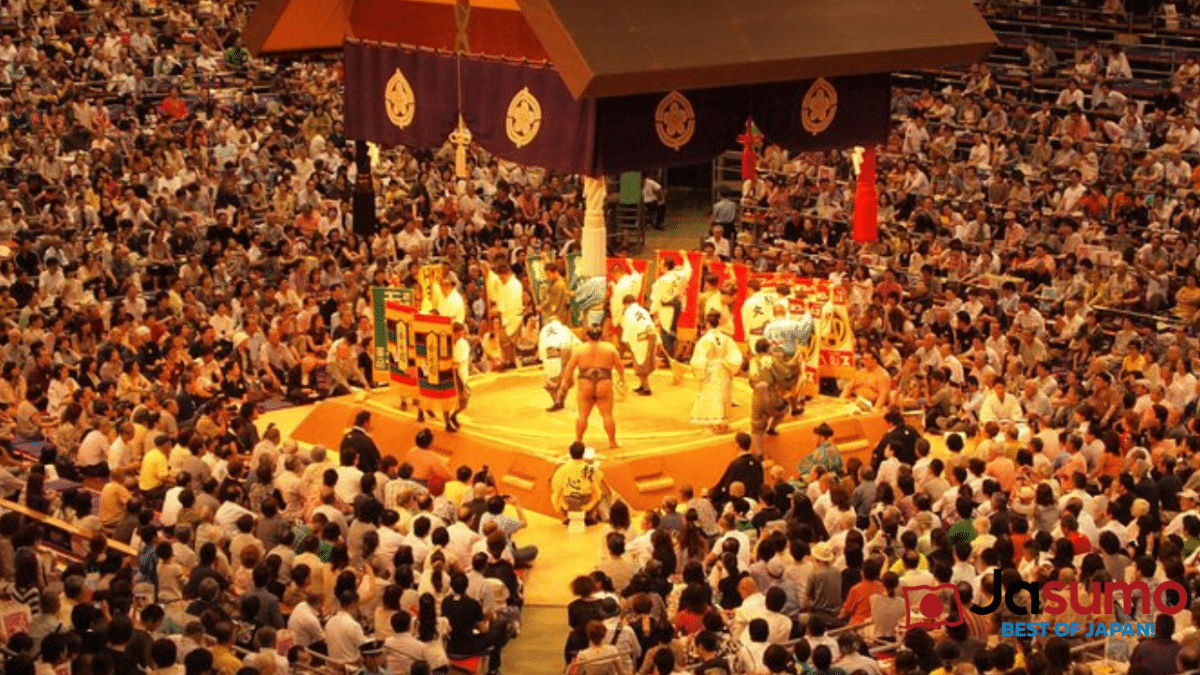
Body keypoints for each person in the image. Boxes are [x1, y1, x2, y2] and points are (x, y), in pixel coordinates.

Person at [559, 326, 626, 449]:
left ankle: (578, 441)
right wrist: (622, 379)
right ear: (601, 335)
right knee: (607, 415)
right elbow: (620, 366)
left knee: (582, 415)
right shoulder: (610, 348)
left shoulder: (579, 349)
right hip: (603, 383)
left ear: (587, 336)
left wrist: (565, 382)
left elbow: (570, 368)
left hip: (585, 384)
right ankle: (612, 442)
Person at [690, 312, 744, 433]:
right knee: (723, 395)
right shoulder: (726, 338)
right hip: (723, 370)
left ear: (707, 324)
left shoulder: (705, 339)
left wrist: (699, 372)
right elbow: (735, 356)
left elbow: (699, 359)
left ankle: (711, 425)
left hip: (710, 370)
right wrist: (729, 366)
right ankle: (722, 423)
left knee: (710, 396)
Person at [649, 251, 692, 357]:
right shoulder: (681, 275)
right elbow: (688, 270)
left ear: (666, 266)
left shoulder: (662, 281)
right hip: (677, 305)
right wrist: (685, 257)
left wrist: (653, 312)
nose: (659, 266)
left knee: (666, 332)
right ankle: (670, 355)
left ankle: (668, 357)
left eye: (661, 264)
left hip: (667, 307)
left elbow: (656, 298)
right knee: (672, 331)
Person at [551, 442, 604, 524]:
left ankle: (567, 516)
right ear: (583, 453)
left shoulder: (563, 469)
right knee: (600, 494)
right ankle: (588, 516)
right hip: (585, 501)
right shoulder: (588, 468)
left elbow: (555, 485)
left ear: (570, 453)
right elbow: (598, 479)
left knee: (557, 494)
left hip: (568, 501)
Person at [539, 316, 581, 413]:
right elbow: (576, 344)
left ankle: (558, 401)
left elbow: (541, 351)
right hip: (562, 354)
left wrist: (544, 362)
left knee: (552, 384)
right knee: (563, 381)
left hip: (550, 356)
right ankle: (559, 401)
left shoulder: (543, 330)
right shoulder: (564, 329)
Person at [620, 295, 658, 396]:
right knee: (642, 361)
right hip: (651, 336)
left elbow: (627, 329)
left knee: (641, 363)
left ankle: (646, 387)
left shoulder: (628, 312)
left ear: (626, 304)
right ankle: (642, 385)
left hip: (641, 338)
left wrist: (625, 346)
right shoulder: (642, 310)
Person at [713, 433, 764, 504]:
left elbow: (726, 484)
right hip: (755, 499)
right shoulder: (757, 461)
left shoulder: (736, 464)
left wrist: (712, 493)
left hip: (740, 502)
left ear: (737, 445)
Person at [341, 410, 382, 475]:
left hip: (344, 474)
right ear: (365, 423)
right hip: (363, 477)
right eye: (371, 422)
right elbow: (376, 462)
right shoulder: (367, 441)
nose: (373, 425)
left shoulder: (346, 437)